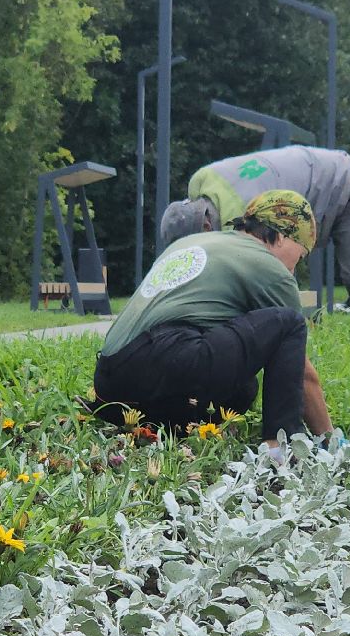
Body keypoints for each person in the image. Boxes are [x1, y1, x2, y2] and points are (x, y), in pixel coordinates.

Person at [95, 190, 334, 449]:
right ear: (282, 236)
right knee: (289, 324)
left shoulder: (193, 243)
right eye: (299, 256)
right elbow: (303, 373)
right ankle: (281, 446)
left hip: (110, 387)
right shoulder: (268, 266)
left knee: (243, 389)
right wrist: (331, 438)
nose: (292, 269)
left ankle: (169, 428)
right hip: (164, 356)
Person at [165, 145, 350, 331]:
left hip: (345, 182)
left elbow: (268, 274)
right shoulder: (203, 184)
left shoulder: (245, 213)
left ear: (206, 226)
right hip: (313, 177)